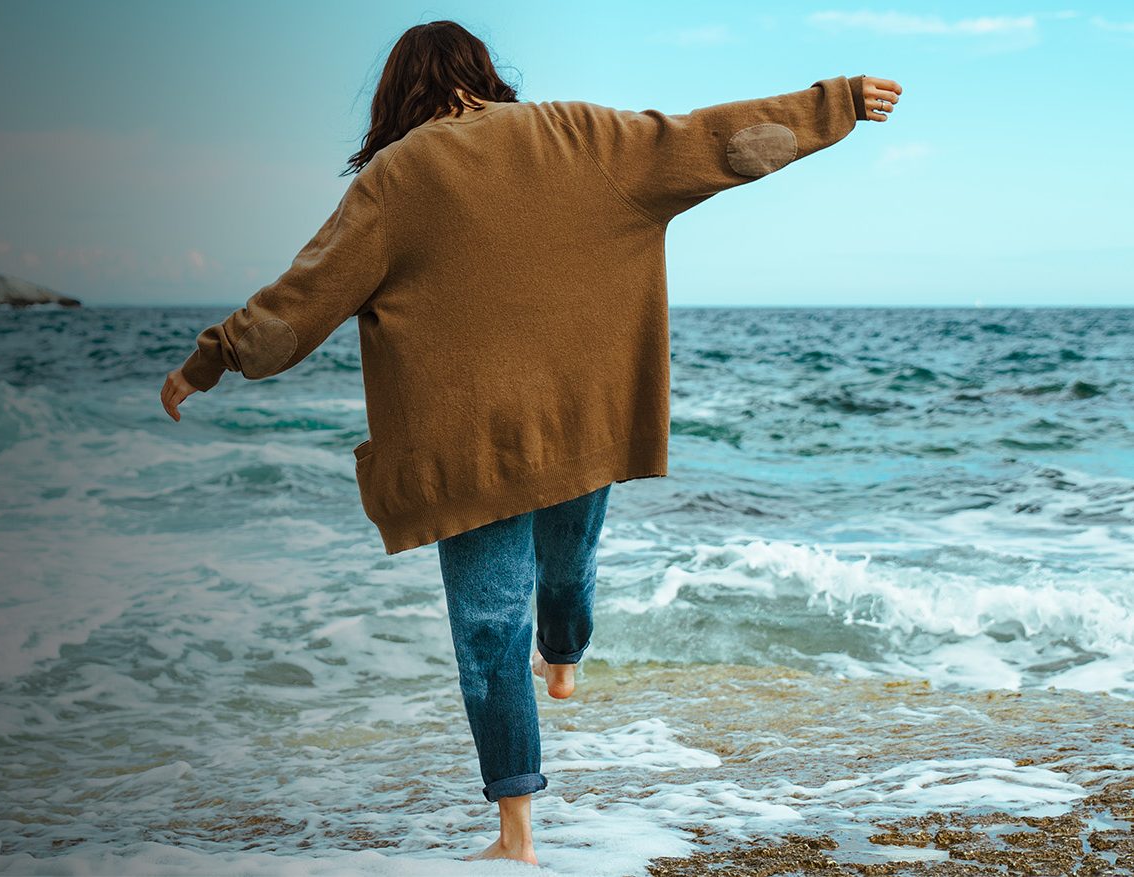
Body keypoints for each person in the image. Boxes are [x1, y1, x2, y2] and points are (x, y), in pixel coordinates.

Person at [159, 18, 900, 866]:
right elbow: (712, 143)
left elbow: (304, 296)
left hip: (464, 452)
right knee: (568, 566)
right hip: (581, 421)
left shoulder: (394, 178)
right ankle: (568, 656)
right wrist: (833, 106)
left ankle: (516, 838)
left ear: (398, 95)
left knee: (486, 631)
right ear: (485, 74)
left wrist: (209, 359)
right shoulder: (579, 135)